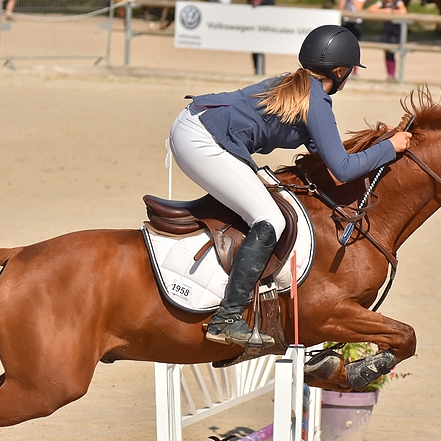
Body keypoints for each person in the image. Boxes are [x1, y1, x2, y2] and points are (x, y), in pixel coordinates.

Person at [168, 25, 412, 348]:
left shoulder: (298, 85)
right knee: (272, 219)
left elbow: (331, 156)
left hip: (197, 127)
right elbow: (342, 170)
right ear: (339, 71)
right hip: (202, 140)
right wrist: (390, 148)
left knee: (263, 202)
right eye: (349, 71)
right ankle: (226, 317)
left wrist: (381, 143)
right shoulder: (316, 99)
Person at [369, 0, 408, 81]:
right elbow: (370, 9)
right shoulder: (383, 2)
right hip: (386, 29)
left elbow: (404, 11)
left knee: (393, 51)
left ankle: (393, 74)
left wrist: (391, 12)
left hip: (395, 30)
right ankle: (389, 74)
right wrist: (383, 11)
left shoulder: (398, 2)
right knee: (387, 52)